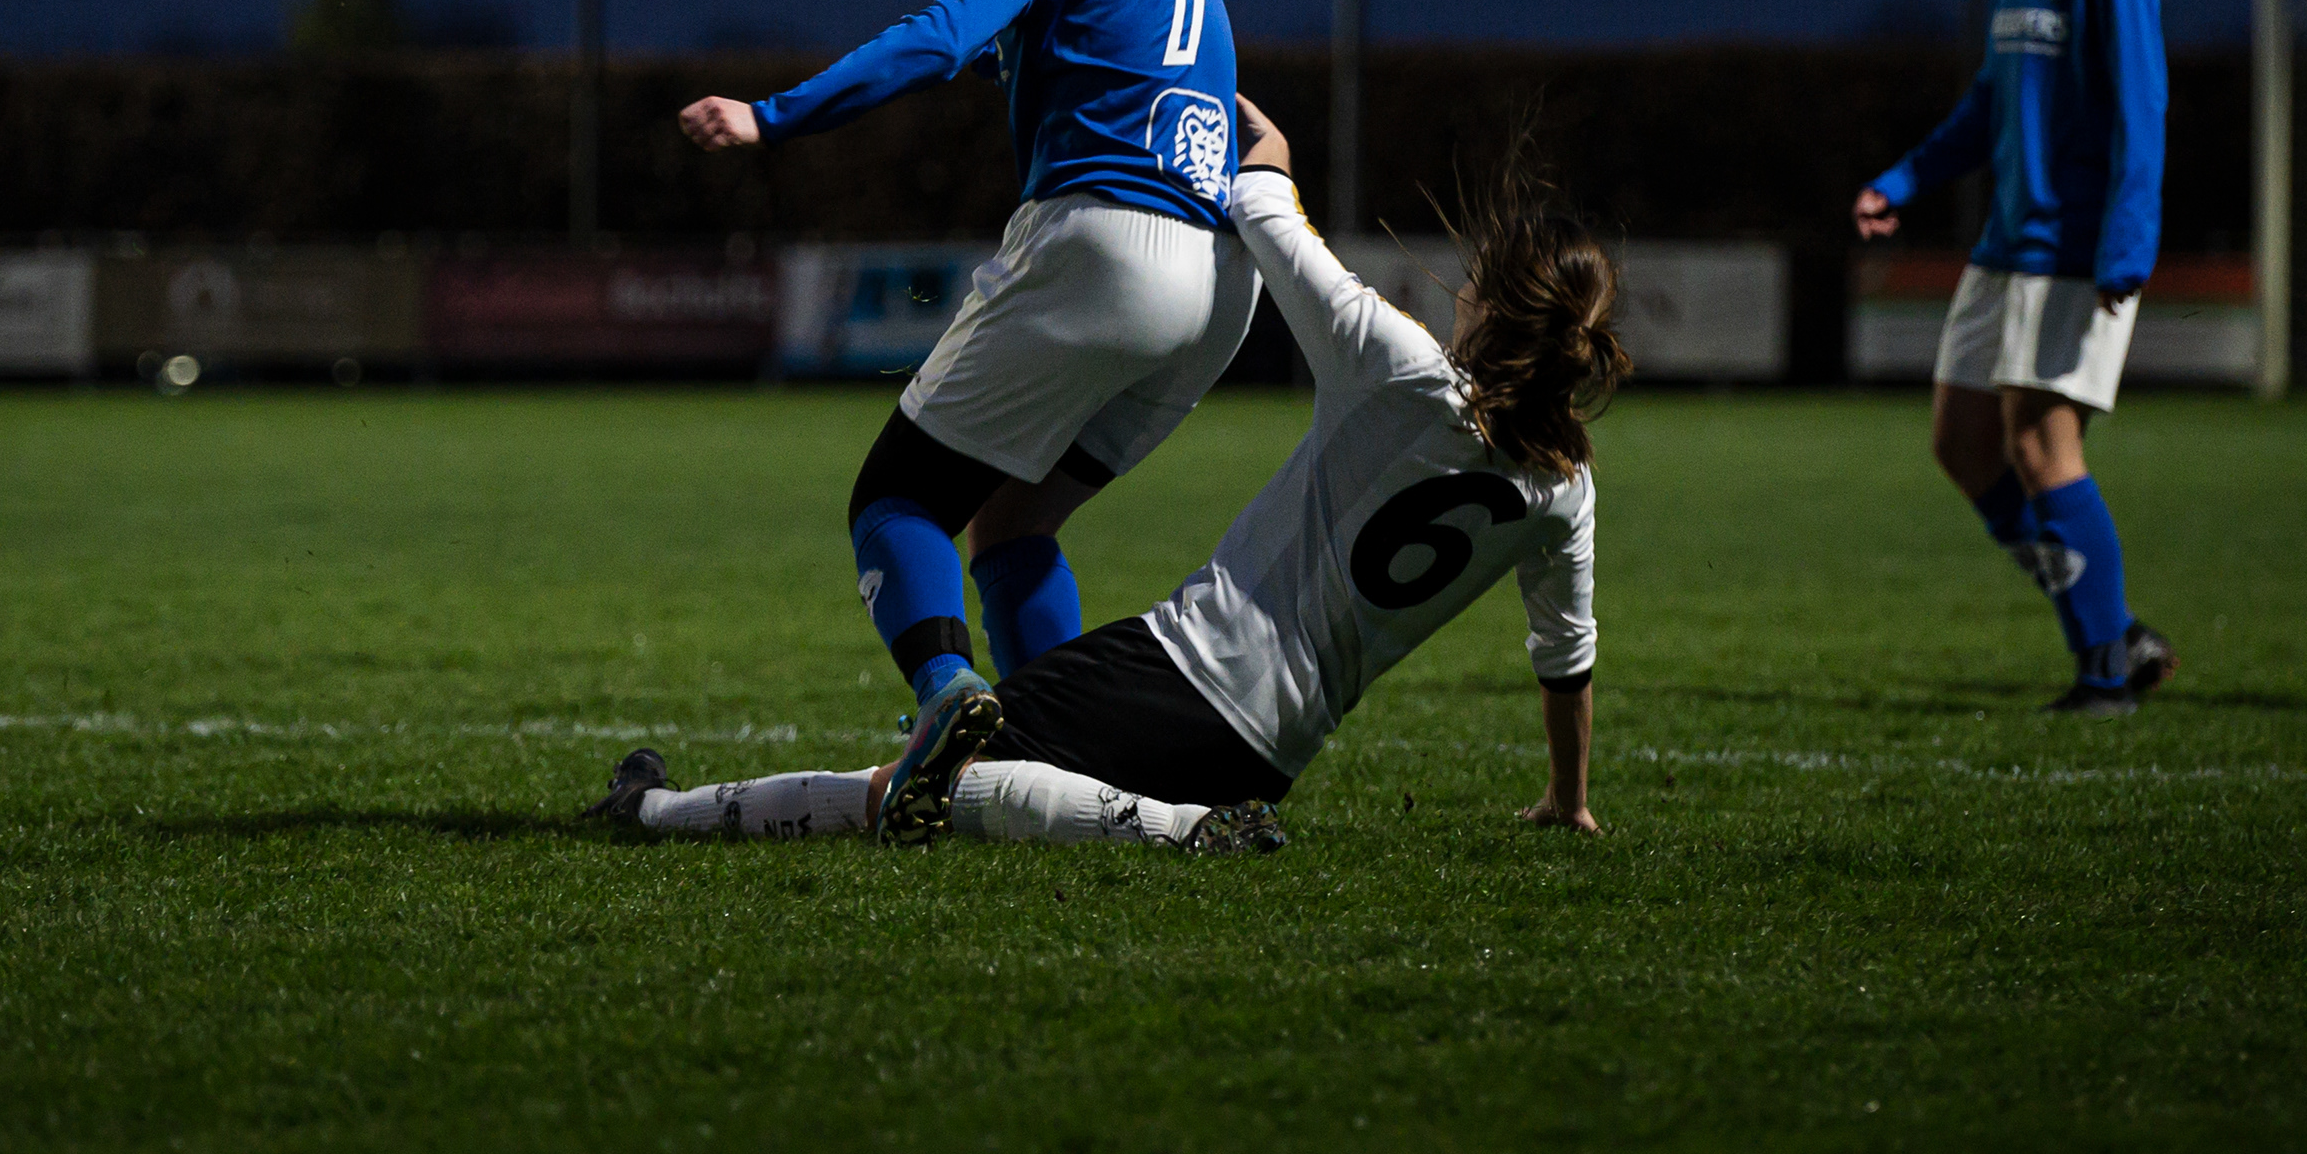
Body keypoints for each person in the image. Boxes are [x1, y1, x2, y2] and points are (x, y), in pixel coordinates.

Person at [591, 97, 1611, 852]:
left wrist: (1269, 156)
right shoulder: (1564, 486)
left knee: (912, 785)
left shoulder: (1401, 371)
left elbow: (1270, 221)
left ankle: (653, 810)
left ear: (1492, 302)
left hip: (1183, 672)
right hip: (1274, 750)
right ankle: (1182, 816)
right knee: (992, 734)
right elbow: (1565, 654)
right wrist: (1568, 798)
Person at [678, 0, 1256, 840]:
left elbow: (944, 33)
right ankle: (1073, 760)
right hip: (1215, 279)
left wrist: (769, 115)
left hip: (1100, 249)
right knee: (1011, 524)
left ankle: (949, 693)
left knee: (896, 501)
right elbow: (1097, 49)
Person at [1853, 0, 2176, 715]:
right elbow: (1993, 99)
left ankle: (2104, 672)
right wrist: (1906, 176)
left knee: (2041, 449)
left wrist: (2127, 240)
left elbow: (2142, 103)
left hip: (2073, 243)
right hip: (2004, 240)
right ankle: (2113, 625)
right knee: (1962, 443)